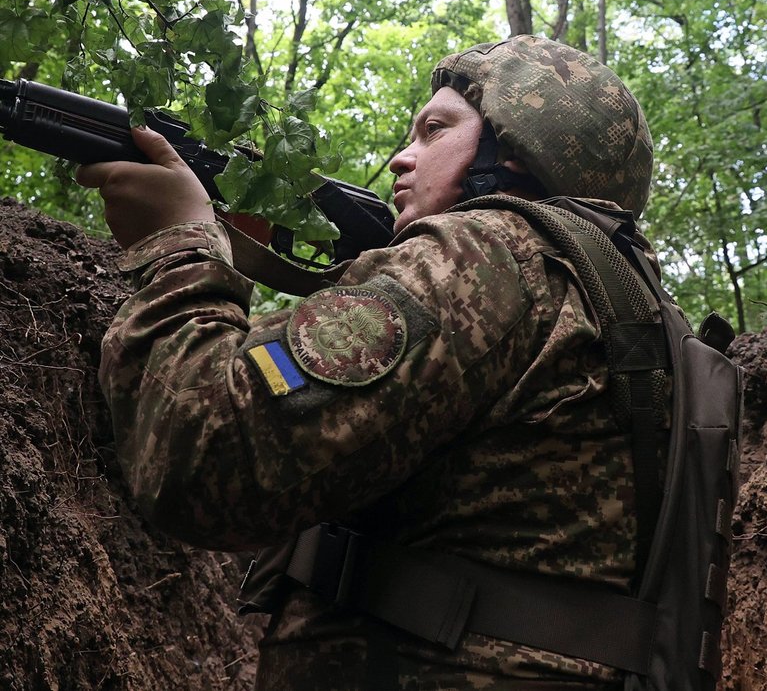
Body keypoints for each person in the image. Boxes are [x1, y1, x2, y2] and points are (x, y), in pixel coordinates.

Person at [77, 35, 660, 690]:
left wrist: (177, 248)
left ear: (517, 152)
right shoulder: (616, 295)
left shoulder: (484, 255)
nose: (398, 159)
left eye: (434, 130)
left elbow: (209, 455)